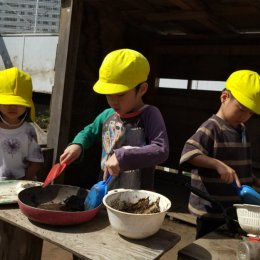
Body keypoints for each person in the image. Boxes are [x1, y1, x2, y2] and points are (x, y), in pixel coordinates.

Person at [60, 48, 169, 190]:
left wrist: (123, 156)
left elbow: (161, 150)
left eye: (120, 95)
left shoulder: (150, 115)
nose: (113, 101)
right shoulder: (107, 115)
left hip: (137, 197)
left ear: (142, 89)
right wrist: (78, 145)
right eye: (108, 95)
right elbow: (89, 131)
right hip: (105, 189)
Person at [179, 70, 260, 239]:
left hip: (233, 210)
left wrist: (252, 179)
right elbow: (189, 154)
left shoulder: (242, 130)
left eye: (250, 113)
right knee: (204, 250)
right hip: (210, 210)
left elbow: (240, 163)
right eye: (242, 109)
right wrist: (218, 164)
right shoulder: (211, 127)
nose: (245, 116)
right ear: (224, 98)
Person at [0, 67, 44, 181]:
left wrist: (26, 180)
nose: (13, 107)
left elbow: (36, 160)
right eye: (7, 102)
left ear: (27, 106)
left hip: (20, 183)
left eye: (18, 103)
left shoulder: (28, 131)